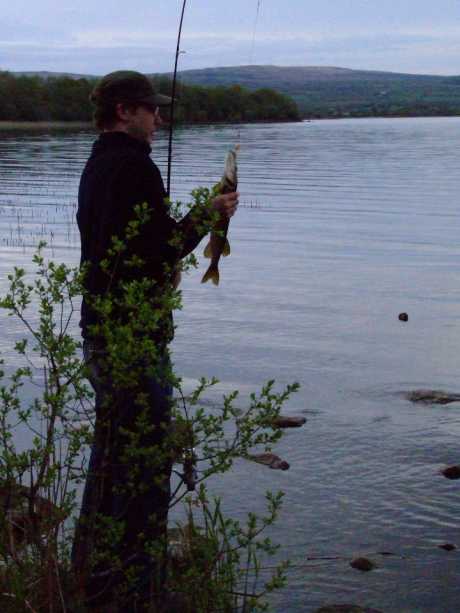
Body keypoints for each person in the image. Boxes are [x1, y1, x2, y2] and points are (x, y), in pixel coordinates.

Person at [72, 70, 238, 611]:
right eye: (150, 110)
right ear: (124, 111)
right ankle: (135, 590)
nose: (158, 118)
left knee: (110, 463)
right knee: (140, 468)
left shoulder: (99, 163)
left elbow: (122, 247)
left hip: (102, 330)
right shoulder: (132, 165)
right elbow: (152, 247)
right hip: (131, 340)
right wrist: (205, 217)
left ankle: (92, 579)